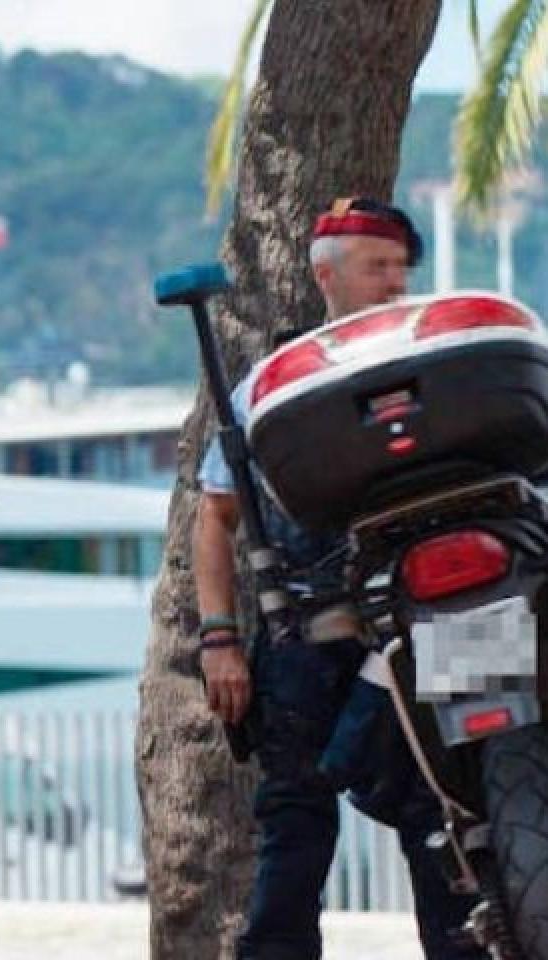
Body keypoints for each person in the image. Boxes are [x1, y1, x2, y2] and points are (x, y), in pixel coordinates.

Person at [194, 197, 482, 959]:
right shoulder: (271, 383)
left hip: (439, 617)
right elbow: (215, 517)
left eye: (400, 268)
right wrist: (219, 638)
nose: (394, 282)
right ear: (327, 274)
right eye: (376, 266)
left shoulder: (439, 360)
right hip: (308, 626)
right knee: (293, 825)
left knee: (455, 811)